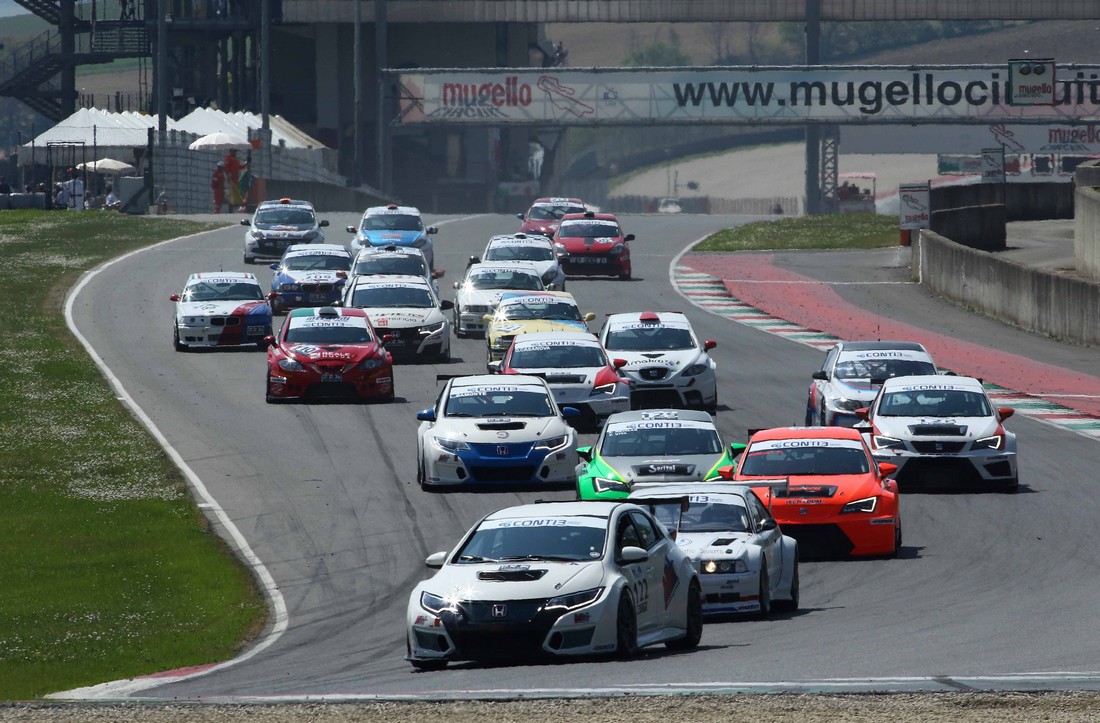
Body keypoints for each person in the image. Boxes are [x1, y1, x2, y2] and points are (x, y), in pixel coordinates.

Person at [223, 148, 248, 212]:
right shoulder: (228, 158)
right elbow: (226, 168)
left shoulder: (236, 159)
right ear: (230, 152)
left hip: (236, 178)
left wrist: (246, 163)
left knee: (235, 192)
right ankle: (231, 207)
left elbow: (239, 167)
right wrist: (228, 175)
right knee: (231, 192)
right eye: (233, 151)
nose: (234, 153)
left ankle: (234, 205)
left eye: (235, 151)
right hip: (231, 178)